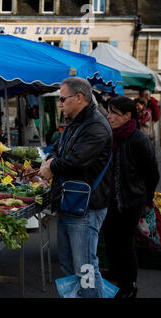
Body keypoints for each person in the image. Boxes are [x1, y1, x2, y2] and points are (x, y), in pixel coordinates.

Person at [39, 77, 112, 298]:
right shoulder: (75, 122)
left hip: (86, 208)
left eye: (62, 99)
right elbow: (57, 150)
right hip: (70, 204)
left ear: (79, 98)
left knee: (86, 268)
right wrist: (50, 161)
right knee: (69, 267)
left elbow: (75, 162)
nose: (59, 104)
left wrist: (52, 167)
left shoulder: (96, 126)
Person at [104, 96, 159, 298]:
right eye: (108, 112)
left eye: (113, 113)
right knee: (111, 240)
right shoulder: (112, 135)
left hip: (131, 202)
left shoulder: (138, 140)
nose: (109, 116)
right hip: (111, 200)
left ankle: (129, 286)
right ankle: (116, 273)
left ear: (128, 116)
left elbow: (152, 174)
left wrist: (146, 200)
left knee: (125, 244)